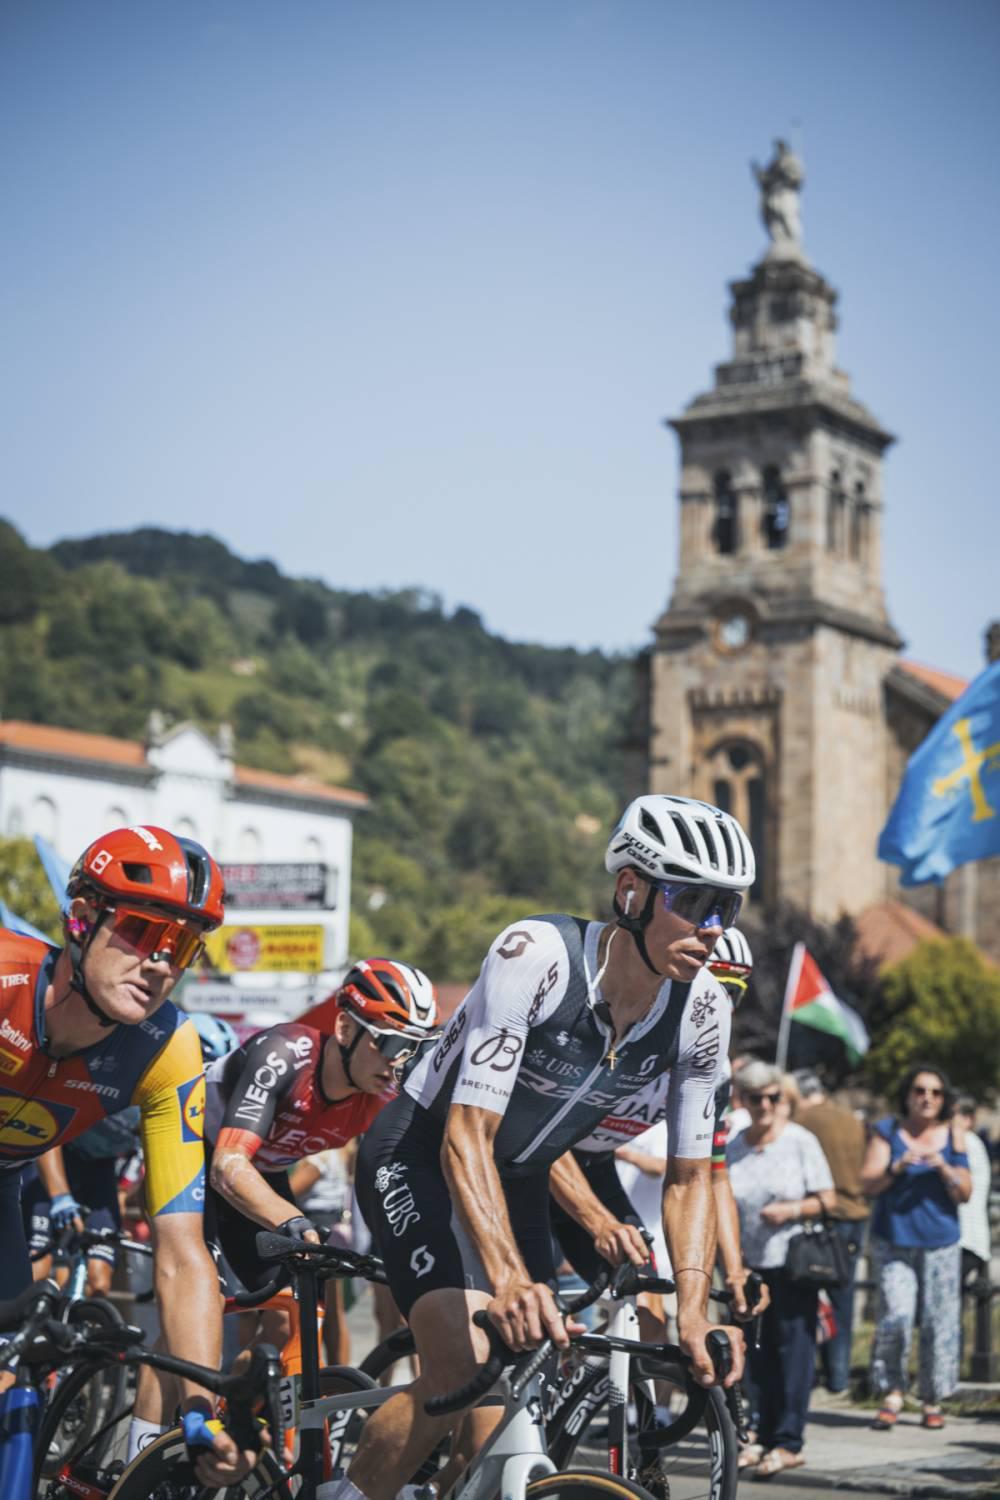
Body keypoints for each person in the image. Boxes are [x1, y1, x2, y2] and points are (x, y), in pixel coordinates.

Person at [343, 793, 756, 1500]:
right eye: (692, 901)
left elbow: (691, 1177)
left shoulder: (706, 1009)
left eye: (728, 908)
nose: (712, 928)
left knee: (518, 1386)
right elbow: (468, 1133)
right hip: (420, 1150)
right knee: (462, 1365)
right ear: (630, 890)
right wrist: (506, 1277)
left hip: (520, 1176)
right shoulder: (536, 955)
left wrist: (693, 1309)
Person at [0, 825, 251, 1485]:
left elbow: (182, 1252)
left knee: (14, 1403)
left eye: (184, 947)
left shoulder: (167, 1050)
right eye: (145, 933)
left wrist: (200, 1409)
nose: (163, 964)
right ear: (81, 919)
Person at [203, 959, 439, 1298]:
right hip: (197, 1150)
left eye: (413, 1048)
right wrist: (291, 1219)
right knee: (201, 1288)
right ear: (344, 1028)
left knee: (299, 1304)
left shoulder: (383, 1098)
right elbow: (227, 1166)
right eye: (390, 1043)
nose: (398, 1062)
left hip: (262, 1173)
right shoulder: (285, 1053)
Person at [727, 1061, 835, 1476]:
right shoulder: (736, 1143)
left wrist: (791, 1209)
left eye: (775, 1097)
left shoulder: (799, 1142)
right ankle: (759, 1433)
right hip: (747, 1265)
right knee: (756, 1354)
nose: (766, 1106)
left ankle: (789, 1440)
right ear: (745, 1101)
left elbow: (829, 1199)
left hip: (791, 1262)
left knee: (794, 1352)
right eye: (757, 1098)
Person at [862, 1063, 971, 1430]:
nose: (927, 1098)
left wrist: (944, 1168)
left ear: (943, 1100)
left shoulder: (953, 1136)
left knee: (939, 1323)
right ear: (907, 1095)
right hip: (895, 1242)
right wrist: (897, 1166)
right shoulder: (887, 1131)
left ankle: (932, 1397)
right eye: (920, 1091)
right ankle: (892, 1389)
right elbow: (869, 1184)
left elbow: (965, 1192)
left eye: (935, 1093)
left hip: (940, 1243)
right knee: (896, 1314)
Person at [794, 1068, 870, 1394]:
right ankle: (838, 1376)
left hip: (822, 1218)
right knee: (843, 1298)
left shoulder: (802, 1123)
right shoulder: (851, 1120)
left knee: (805, 1297)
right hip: (855, 1214)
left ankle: (807, 1374)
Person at [954, 1097, 992, 1289]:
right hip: (968, 1239)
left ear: (968, 1120)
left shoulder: (967, 1142)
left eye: (953, 1115)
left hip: (966, 1239)